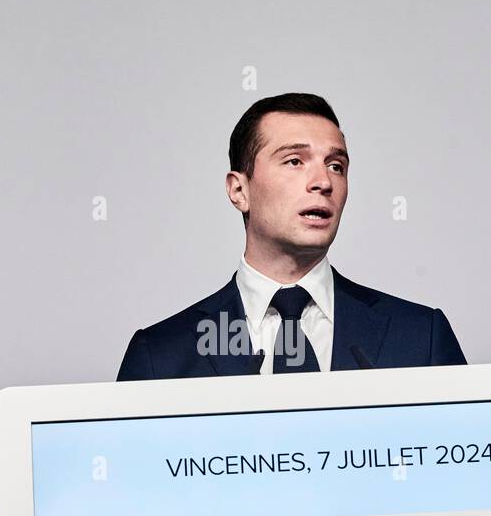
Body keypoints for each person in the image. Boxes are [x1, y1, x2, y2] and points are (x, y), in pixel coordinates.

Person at [117, 93, 467, 381]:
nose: (323, 182)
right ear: (239, 190)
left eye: (336, 166)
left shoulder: (422, 338)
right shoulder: (159, 357)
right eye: (295, 161)